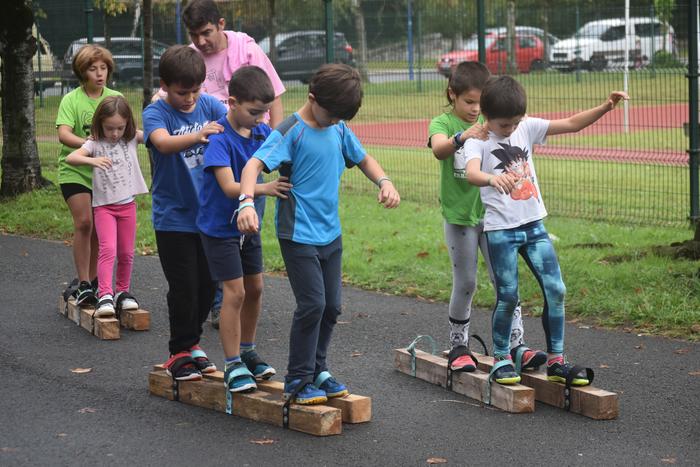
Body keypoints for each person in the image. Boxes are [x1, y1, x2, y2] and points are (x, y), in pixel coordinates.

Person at [237, 64, 400, 405]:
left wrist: (384, 181)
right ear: (312, 99)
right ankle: (298, 378)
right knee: (312, 304)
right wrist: (247, 202)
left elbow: (364, 158)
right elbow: (253, 165)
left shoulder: (338, 127)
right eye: (332, 114)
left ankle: (317, 370)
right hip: (297, 234)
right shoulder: (291, 130)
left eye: (342, 117)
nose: (335, 121)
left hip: (330, 234)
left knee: (332, 307)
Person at [458, 75, 628, 385]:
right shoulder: (477, 140)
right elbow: (470, 174)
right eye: (503, 125)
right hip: (500, 231)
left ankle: (557, 360)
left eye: (514, 123)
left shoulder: (525, 127)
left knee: (557, 289)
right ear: (486, 116)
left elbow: (572, 123)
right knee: (508, 295)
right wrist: (492, 179)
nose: (509, 130)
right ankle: (501, 358)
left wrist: (606, 106)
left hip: (534, 226)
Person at [428, 62, 544, 375]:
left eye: (480, 103)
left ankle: (516, 345)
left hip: (495, 220)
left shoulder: (493, 121)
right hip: (460, 219)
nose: (475, 109)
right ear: (452, 94)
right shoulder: (442, 122)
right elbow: (439, 149)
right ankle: (459, 347)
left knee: (504, 282)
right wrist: (462, 136)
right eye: (469, 102)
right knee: (466, 282)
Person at [179, 0, 287, 329]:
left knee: (248, 224)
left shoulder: (246, 48)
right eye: (194, 35)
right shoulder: (191, 56)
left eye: (206, 33)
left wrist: (274, 145)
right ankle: (222, 298)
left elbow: (274, 96)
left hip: (251, 146)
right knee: (217, 218)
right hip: (216, 147)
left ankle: (235, 293)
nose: (200, 41)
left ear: (221, 24)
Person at [197, 66, 291, 392]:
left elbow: (283, 150)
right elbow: (227, 187)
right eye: (254, 112)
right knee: (234, 293)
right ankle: (232, 362)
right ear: (232, 102)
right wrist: (264, 189)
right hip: (219, 229)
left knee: (256, 289)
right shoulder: (219, 138)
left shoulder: (262, 133)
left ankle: (248, 352)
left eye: (265, 111)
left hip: (247, 229)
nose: (261, 118)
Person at [143, 45, 227, 381]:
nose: (190, 98)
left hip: (208, 217)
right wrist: (199, 134)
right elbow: (162, 143)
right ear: (165, 85)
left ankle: (193, 344)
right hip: (173, 218)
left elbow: (234, 125)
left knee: (208, 285)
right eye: (182, 92)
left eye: (195, 90)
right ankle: (179, 350)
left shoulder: (208, 104)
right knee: (184, 287)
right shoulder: (157, 113)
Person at [65, 96, 148, 317]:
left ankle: (122, 291)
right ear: (100, 124)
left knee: (127, 252)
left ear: (127, 124)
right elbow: (71, 158)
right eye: (109, 128)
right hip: (104, 208)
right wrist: (92, 160)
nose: (114, 134)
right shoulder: (95, 143)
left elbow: (156, 137)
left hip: (127, 206)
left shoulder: (130, 138)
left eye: (120, 128)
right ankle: (105, 294)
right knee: (108, 250)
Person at [56, 44, 122, 305]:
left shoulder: (114, 98)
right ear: (82, 72)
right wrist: (87, 144)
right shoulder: (71, 99)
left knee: (99, 231)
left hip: (104, 173)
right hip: (75, 169)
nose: (99, 73)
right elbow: (63, 134)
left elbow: (125, 130)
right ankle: (83, 281)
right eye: (92, 69)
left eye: (103, 68)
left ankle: (95, 281)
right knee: (84, 223)